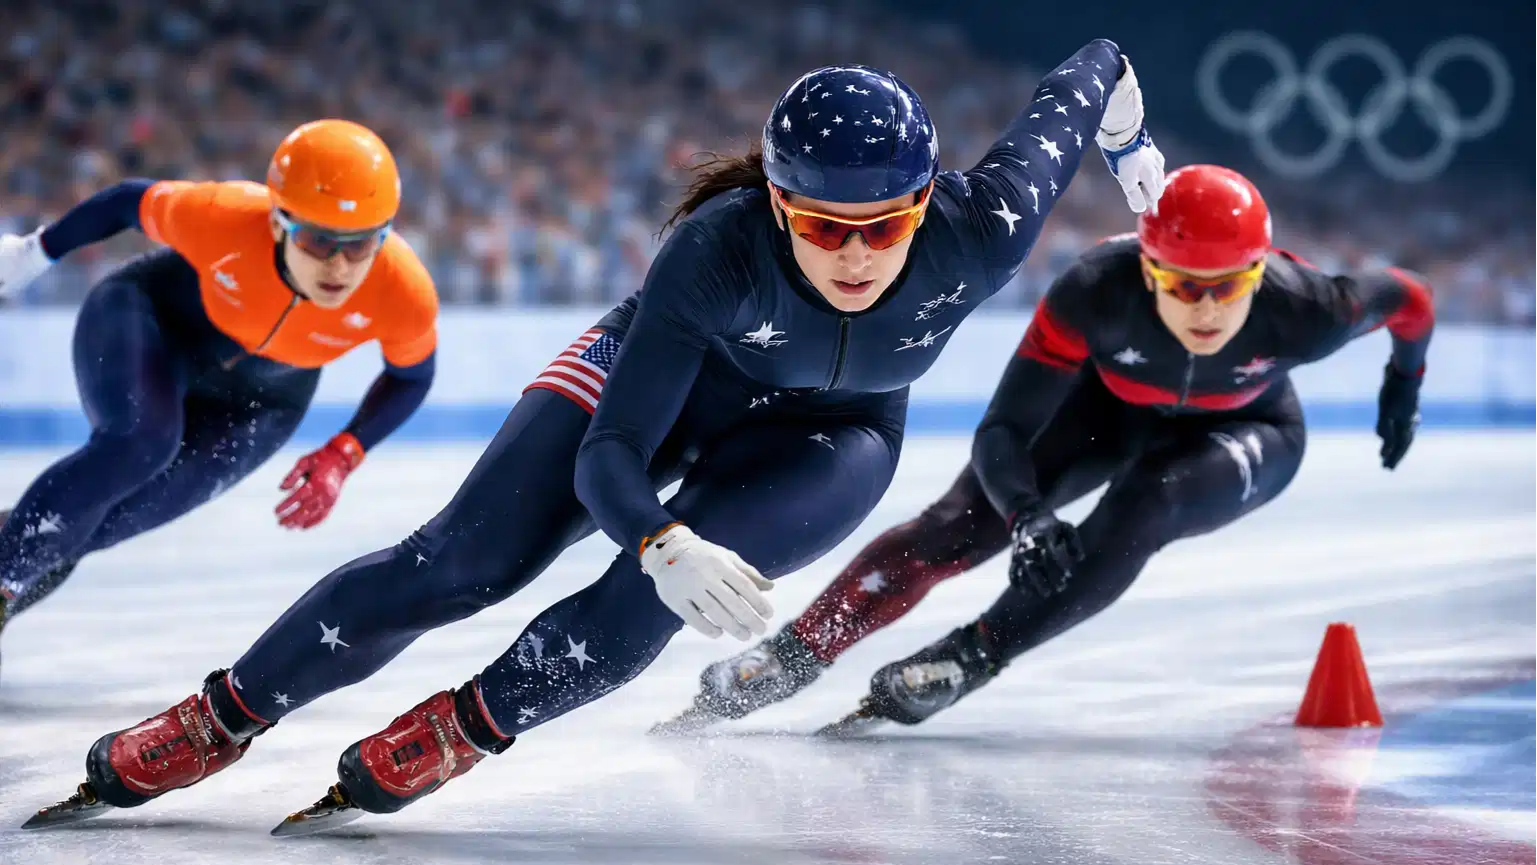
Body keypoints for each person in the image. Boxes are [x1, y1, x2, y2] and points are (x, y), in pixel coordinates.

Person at [24, 39, 1166, 834]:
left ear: (929, 202)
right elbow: (611, 454)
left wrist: (1131, 149)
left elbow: (1096, 62)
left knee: (637, 614)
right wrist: (664, 537)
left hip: (836, 434)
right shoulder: (712, 253)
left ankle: (466, 726)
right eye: (823, 224)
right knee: (462, 562)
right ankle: (222, 716)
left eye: (888, 224)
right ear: (775, 203)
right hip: (661, 384)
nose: (858, 254)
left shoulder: (987, 224)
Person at [658, 163, 1434, 737]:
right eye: (1179, 283)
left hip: (1248, 429)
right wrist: (1027, 516)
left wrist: (1404, 381)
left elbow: (1410, 298)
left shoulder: (1311, 310)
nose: (1202, 308)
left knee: (1147, 501)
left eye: (1226, 288)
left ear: (1258, 275)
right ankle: (796, 653)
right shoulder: (1095, 289)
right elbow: (1002, 433)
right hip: (1111, 407)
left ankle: (972, 653)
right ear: (1145, 266)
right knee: (958, 523)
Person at [0, 120, 440, 676]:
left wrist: (345, 451)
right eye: (318, 241)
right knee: (141, 441)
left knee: (106, 519)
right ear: (279, 224)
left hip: (264, 400)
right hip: (154, 322)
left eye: (361, 246)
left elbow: (412, 376)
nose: (339, 266)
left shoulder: (403, 290)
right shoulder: (226, 215)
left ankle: (7, 577)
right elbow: (127, 201)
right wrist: (34, 253)